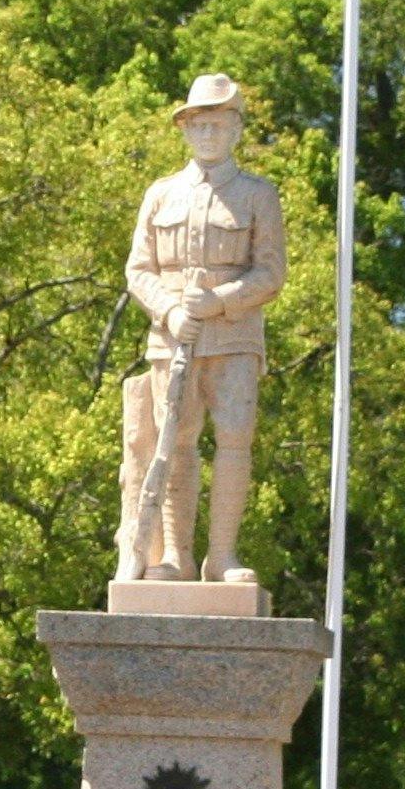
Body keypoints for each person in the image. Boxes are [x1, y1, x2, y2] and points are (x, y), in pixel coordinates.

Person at [117, 73, 285, 584]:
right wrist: (170, 311)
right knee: (176, 440)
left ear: (236, 130)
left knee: (234, 437)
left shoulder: (258, 195)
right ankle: (175, 556)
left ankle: (223, 555)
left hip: (234, 337)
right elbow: (138, 270)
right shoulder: (161, 194)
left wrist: (218, 301)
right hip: (172, 341)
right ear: (186, 130)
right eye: (199, 125)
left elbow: (271, 273)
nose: (208, 134)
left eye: (218, 124)